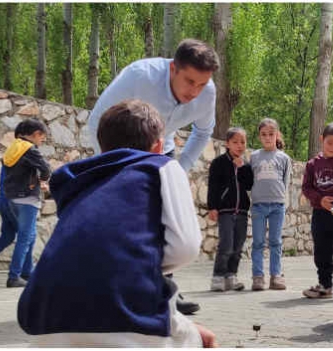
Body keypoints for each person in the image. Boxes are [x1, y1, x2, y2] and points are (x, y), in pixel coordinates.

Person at [17, 100, 216, 347]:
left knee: (183, 328)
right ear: (157, 146)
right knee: (203, 340)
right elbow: (186, 247)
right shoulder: (162, 166)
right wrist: (138, 258)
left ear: (103, 148)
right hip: (124, 314)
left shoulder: (77, 181)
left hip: (42, 318)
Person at [87, 38, 220, 315]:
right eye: (189, 81)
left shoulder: (207, 92)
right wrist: (112, 164)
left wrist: (180, 167)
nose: (195, 91)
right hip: (119, 151)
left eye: (201, 84)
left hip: (162, 151)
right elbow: (98, 119)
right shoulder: (140, 76)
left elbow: (204, 131)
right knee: (120, 220)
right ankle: (110, 289)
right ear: (173, 68)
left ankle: (165, 292)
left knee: (164, 219)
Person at [0, 119, 51, 288]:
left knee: (10, 235)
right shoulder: (30, 149)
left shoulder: (11, 150)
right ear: (36, 134)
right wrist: (43, 180)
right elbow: (45, 169)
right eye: (42, 138)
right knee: (26, 236)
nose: (41, 141)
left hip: (7, 199)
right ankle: (14, 276)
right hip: (26, 200)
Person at [301, 122, 333, 298]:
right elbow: (306, 188)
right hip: (320, 214)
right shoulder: (312, 164)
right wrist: (320, 200)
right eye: (329, 142)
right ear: (322, 139)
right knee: (322, 251)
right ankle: (325, 285)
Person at [207, 127, 253, 292]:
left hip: (241, 211)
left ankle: (231, 276)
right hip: (225, 211)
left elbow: (248, 185)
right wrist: (212, 207)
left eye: (242, 142)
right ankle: (218, 276)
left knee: (238, 246)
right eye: (235, 142)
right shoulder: (219, 163)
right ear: (227, 144)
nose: (239, 145)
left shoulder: (246, 165)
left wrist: (242, 169)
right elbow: (213, 186)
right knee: (226, 245)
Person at [250, 118, 292, 291]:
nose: (267, 138)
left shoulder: (284, 158)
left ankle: (276, 276)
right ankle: (258, 277)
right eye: (264, 134)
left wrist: (283, 201)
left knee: (275, 241)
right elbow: (250, 179)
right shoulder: (254, 156)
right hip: (258, 206)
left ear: (277, 135)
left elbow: (286, 181)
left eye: (271, 134)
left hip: (277, 206)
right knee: (258, 242)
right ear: (260, 136)